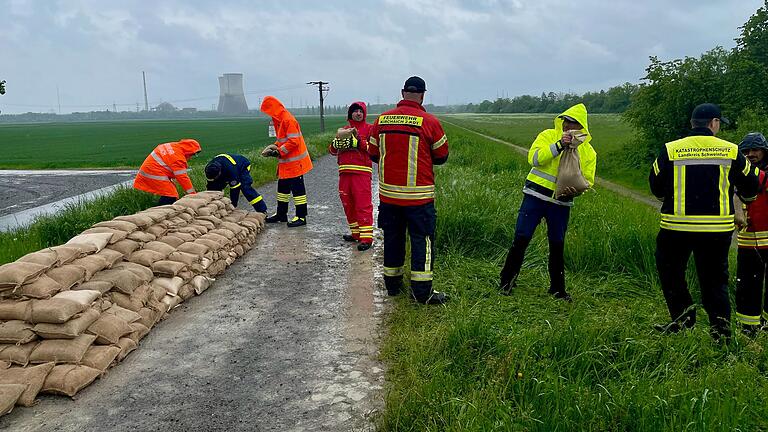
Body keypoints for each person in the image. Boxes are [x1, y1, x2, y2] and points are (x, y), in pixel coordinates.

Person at [650, 103, 759, 341]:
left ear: (692, 124)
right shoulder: (730, 151)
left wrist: (669, 197)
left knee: (672, 276)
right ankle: (721, 333)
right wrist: (746, 200)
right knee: (714, 281)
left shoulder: (671, 149)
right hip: (716, 231)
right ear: (714, 123)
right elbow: (751, 185)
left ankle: (682, 321)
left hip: (675, 229)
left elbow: (656, 186)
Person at [498, 104, 596, 301]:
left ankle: (558, 290)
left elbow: (588, 180)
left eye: (573, 123)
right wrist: (558, 145)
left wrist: (576, 192)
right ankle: (506, 282)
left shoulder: (588, 152)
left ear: (582, 126)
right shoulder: (548, 135)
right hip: (534, 197)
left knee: (557, 244)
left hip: (561, 203)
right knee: (521, 238)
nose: (568, 126)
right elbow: (534, 159)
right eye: (566, 122)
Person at [368, 76, 449, 305]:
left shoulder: (381, 120)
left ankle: (392, 287)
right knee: (422, 242)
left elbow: (373, 153)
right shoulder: (429, 122)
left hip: (389, 196)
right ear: (423, 95)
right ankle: (422, 294)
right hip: (419, 198)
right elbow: (442, 156)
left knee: (392, 239)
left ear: (403, 93)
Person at [260, 96, 313, 227]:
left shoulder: (288, 120)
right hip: (287, 163)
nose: (268, 114)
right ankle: (281, 214)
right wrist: (275, 146)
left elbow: (293, 142)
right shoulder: (280, 120)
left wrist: (278, 151)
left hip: (295, 163)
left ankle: (301, 217)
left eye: (268, 111)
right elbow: (283, 139)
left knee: (298, 191)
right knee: (282, 190)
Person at [329, 102, 374, 251]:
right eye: (355, 111)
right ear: (350, 114)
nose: (358, 113)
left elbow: (373, 149)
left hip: (362, 173)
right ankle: (356, 234)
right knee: (348, 204)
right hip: (344, 172)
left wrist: (359, 142)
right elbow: (332, 151)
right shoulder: (344, 130)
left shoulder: (370, 129)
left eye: (361, 111)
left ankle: (366, 238)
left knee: (363, 205)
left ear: (364, 114)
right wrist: (335, 144)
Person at [735, 132, 768, 335]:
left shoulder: (759, 174)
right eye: (745, 151)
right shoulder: (743, 174)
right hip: (747, 241)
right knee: (747, 286)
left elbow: (759, 181)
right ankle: (748, 328)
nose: (750, 154)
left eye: (755, 150)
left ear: (764, 151)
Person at [133, 139, 201, 205]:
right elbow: (182, 178)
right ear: (189, 151)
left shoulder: (173, 146)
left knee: (168, 193)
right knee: (170, 195)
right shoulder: (178, 158)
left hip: (149, 170)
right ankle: (162, 212)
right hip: (153, 173)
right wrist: (193, 195)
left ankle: (161, 211)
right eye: (193, 154)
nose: (192, 157)